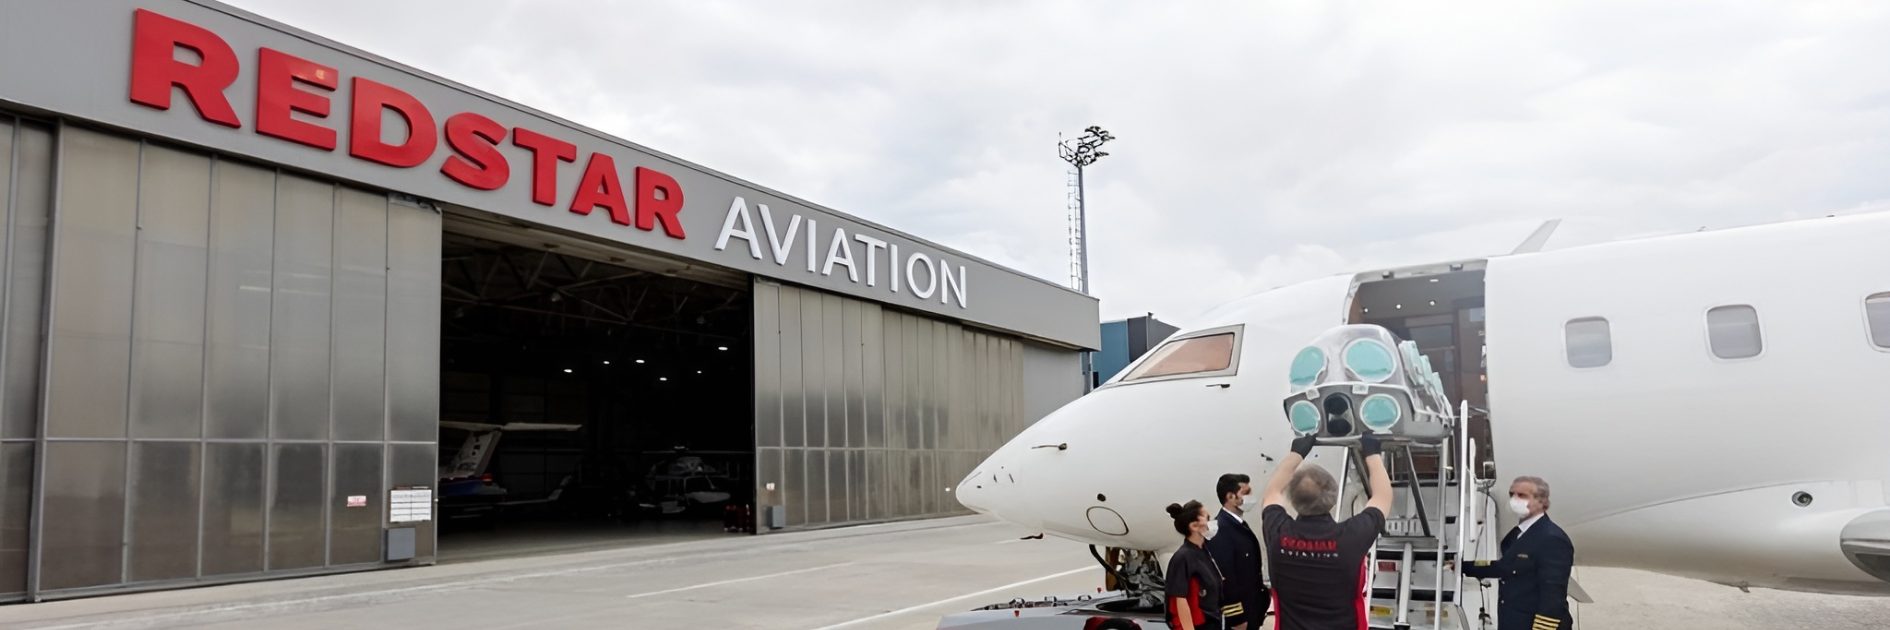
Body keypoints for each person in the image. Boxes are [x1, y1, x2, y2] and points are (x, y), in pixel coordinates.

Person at [1259, 433, 1393, 630]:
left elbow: (1272, 493)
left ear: (1293, 500)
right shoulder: (1350, 538)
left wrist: (1296, 454)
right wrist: (1372, 454)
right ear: (1332, 499)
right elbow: (1382, 497)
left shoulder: (1278, 533)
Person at [1463, 476, 1574, 630]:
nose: (1514, 500)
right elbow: (1505, 567)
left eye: (1522, 496)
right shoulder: (1518, 534)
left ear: (1542, 502)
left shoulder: (1552, 539)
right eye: (1512, 494)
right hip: (1513, 622)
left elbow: (1552, 596)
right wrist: (1464, 567)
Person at [1204, 473, 1268, 629]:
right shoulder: (1221, 530)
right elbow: (1225, 578)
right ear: (1230, 497)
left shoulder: (1239, 525)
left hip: (1252, 609)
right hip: (1241, 617)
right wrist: (1236, 618)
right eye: (1246, 493)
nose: (1251, 497)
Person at [1163, 500, 1225, 630]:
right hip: (1197, 624)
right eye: (1207, 518)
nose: (1212, 522)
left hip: (1212, 621)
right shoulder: (1182, 557)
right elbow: (1180, 599)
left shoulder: (1204, 551)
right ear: (1194, 526)